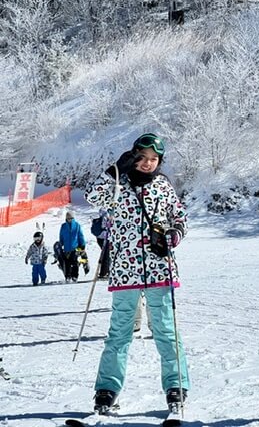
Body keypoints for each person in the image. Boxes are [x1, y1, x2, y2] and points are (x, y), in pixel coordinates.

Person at [84, 132, 190, 415]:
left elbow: (180, 216)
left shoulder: (163, 186)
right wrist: (114, 170)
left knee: (166, 331)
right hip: (126, 272)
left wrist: (174, 234)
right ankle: (106, 390)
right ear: (133, 157)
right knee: (118, 334)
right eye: (142, 158)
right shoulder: (119, 185)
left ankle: (176, 386)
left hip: (159, 269)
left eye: (154, 159)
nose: (148, 164)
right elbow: (92, 196)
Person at [59, 210, 86, 283]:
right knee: (67, 263)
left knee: (74, 262)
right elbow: (61, 236)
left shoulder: (77, 225)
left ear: (73, 218)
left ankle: (75, 276)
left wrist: (82, 244)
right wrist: (60, 244)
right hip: (67, 248)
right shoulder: (63, 226)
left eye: (71, 218)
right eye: (68, 218)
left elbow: (80, 235)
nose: (69, 220)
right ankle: (68, 276)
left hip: (75, 247)